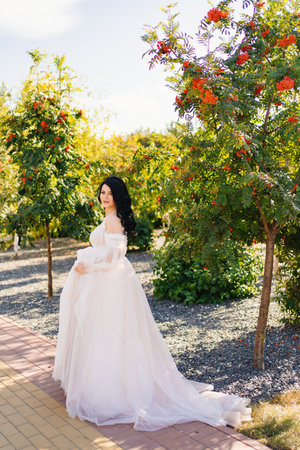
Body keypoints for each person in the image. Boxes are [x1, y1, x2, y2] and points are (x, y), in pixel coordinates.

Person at [53, 176, 251, 431]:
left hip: (111, 283)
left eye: (109, 193)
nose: (104, 197)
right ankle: (107, 384)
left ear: (118, 196)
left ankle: (115, 391)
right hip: (107, 283)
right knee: (109, 334)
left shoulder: (113, 220)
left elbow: (115, 256)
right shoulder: (109, 218)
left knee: (113, 333)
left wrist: (87, 263)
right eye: (102, 192)